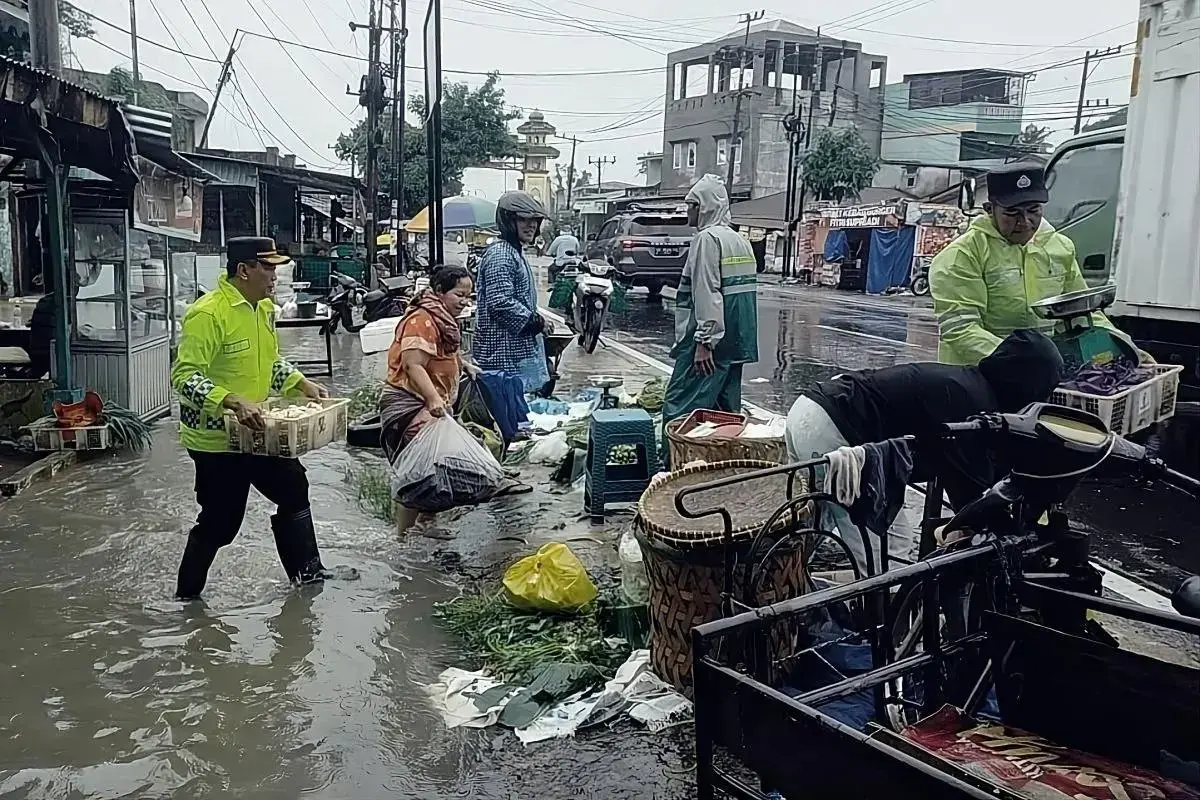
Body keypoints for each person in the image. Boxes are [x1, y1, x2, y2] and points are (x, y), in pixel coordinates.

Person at [785, 329, 1065, 576]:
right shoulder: (974, 403)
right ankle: (885, 626)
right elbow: (971, 488)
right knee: (888, 541)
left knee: (816, 518)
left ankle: (781, 584)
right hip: (837, 429)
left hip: (812, 410)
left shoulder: (968, 383)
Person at [171, 236, 354, 601]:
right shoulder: (208, 314)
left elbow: (269, 364)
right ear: (243, 270)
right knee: (222, 523)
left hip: (258, 431)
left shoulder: (263, 309)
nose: (275, 275)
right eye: (267, 267)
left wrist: (300, 383)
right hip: (217, 440)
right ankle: (186, 600)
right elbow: (184, 376)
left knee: (294, 487)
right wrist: (231, 401)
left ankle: (308, 576)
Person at [930, 162, 1137, 366]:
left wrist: (1124, 345)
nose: (1025, 222)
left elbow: (1083, 312)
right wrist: (1025, 363)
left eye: (1033, 210)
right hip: (975, 378)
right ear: (990, 209)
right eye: (1012, 213)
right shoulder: (962, 256)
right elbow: (961, 330)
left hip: (1038, 375)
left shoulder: (1060, 247)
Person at [662, 174, 759, 461]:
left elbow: (708, 292)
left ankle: (673, 470)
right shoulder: (739, 240)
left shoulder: (707, 239)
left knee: (681, 409)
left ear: (704, 207)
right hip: (736, 341)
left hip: (709, 343)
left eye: (691, 205)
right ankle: (722, 470)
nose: (687, 211)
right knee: (725, 414)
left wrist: (705, 341)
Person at [379, 264, 475, 459]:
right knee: (430, 464)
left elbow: (439, 353)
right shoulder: (422, 320)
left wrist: (462, 364)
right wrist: (432, 399)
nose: (465, 302)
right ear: (440, 291)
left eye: (468, 296)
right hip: (412, 404)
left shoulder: (444, 318)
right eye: (459, 295)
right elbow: (412, 364)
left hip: (434, 404)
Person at [473, 190, 552, 394]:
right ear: (509, 221)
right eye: (523, 219)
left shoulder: (513, 251)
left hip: (514, 352)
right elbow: (500, 301)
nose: (531, 225)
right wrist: (537, 322)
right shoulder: (501, 254)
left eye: (534, 220)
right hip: (503, 354)